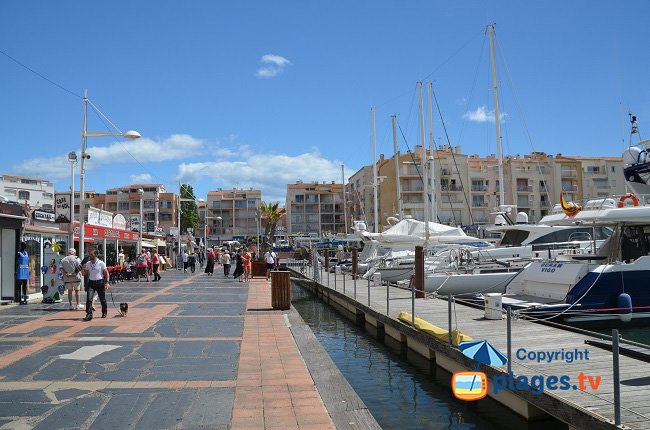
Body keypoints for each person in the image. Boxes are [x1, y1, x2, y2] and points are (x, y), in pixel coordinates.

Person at [82, 247, 109, 321]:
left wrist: (107, 282)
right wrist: (83, 270)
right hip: (91, 282)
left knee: (102, 299)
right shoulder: (88, 263)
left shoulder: (101, 263)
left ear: (95, 255)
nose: (90, 256)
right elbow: (84, 274)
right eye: (89, 254)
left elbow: (106, 273)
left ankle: (104, 312)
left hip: (100, 282)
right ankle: (89, 314)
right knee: (89, 299)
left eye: (91, 254)